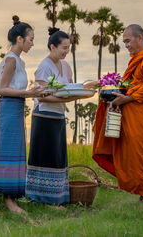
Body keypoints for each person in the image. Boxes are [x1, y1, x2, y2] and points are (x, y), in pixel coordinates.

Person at [92, 24, 143, 200]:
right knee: (132, 154)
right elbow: (127, 85)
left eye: (128, 41)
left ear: (139, 38)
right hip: (130, 115)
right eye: (124, 41)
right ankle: (138, 189)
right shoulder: (135, 60)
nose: (126, 45)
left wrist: (127, 98)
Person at [25, 28, 95, 205]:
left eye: (68, 48)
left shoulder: (66, 66)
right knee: (45, 156)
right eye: (63, 47)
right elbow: (40, 96)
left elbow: (70, 91)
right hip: (44, 116)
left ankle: (56, 197)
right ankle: (40, 197)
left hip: (58, 116)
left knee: (57, 156)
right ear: (52, 47)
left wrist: (82, 92)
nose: (66, 51)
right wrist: (76, 96)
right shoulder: (44, 66)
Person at [0, 15, 47, 213]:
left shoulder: (19, 62)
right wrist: (28, 93)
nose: (32, 43)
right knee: (8, 150)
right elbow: (2, 89)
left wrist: (34, 92)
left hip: (16, 107)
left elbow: (15, 88)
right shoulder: (11, 60)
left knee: (16, 151)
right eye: (30, 39)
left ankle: (14, 195)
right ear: (20, 39)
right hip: (8, 107)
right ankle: (9, 200)